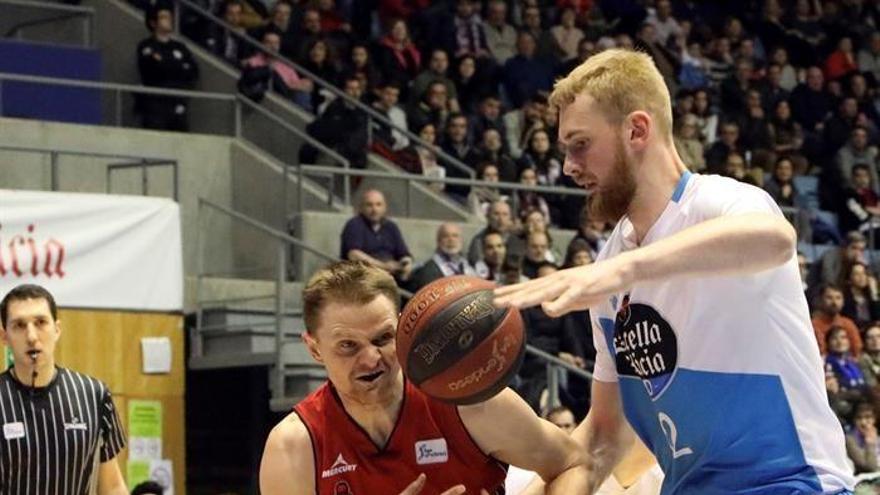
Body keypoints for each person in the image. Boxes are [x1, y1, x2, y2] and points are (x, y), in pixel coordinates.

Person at [494, 49, 854, 493]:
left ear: (637, 130)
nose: (569, 165)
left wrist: (623, 272)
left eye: (580, 144)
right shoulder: (609, 266)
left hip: (788, 483)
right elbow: (605, 436)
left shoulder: (719, 203)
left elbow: (775, 240)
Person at [259, 261, 589, 494]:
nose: (371, 358)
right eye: (348, 346)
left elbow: (574, 465)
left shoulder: (467, 402)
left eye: (383, 338)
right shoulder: (294, 446)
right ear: (314, 349)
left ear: (403, 328)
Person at [0, 284, 128, 495]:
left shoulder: (94, 395)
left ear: (57, 329)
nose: (31, 336)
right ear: (5, 337)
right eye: (19, 325)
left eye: (40, 322)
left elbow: (112, 487)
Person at [136, 4, 199, 131]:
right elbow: (153, 69)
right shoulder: (146, 45)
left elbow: (193, 71)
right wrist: (178, 66)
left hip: (178, 101)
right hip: (155, 104)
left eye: (170, 17)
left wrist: (166, 63)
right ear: (153, 23)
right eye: (164, 17)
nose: (169, 20)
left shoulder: (180, 47)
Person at [406, 223, 476, 292]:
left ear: (461, 240)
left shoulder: (468, 266)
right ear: (438, 241)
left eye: (455, 236)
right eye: (445, 236)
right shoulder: (427, 271)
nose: (451, 240)